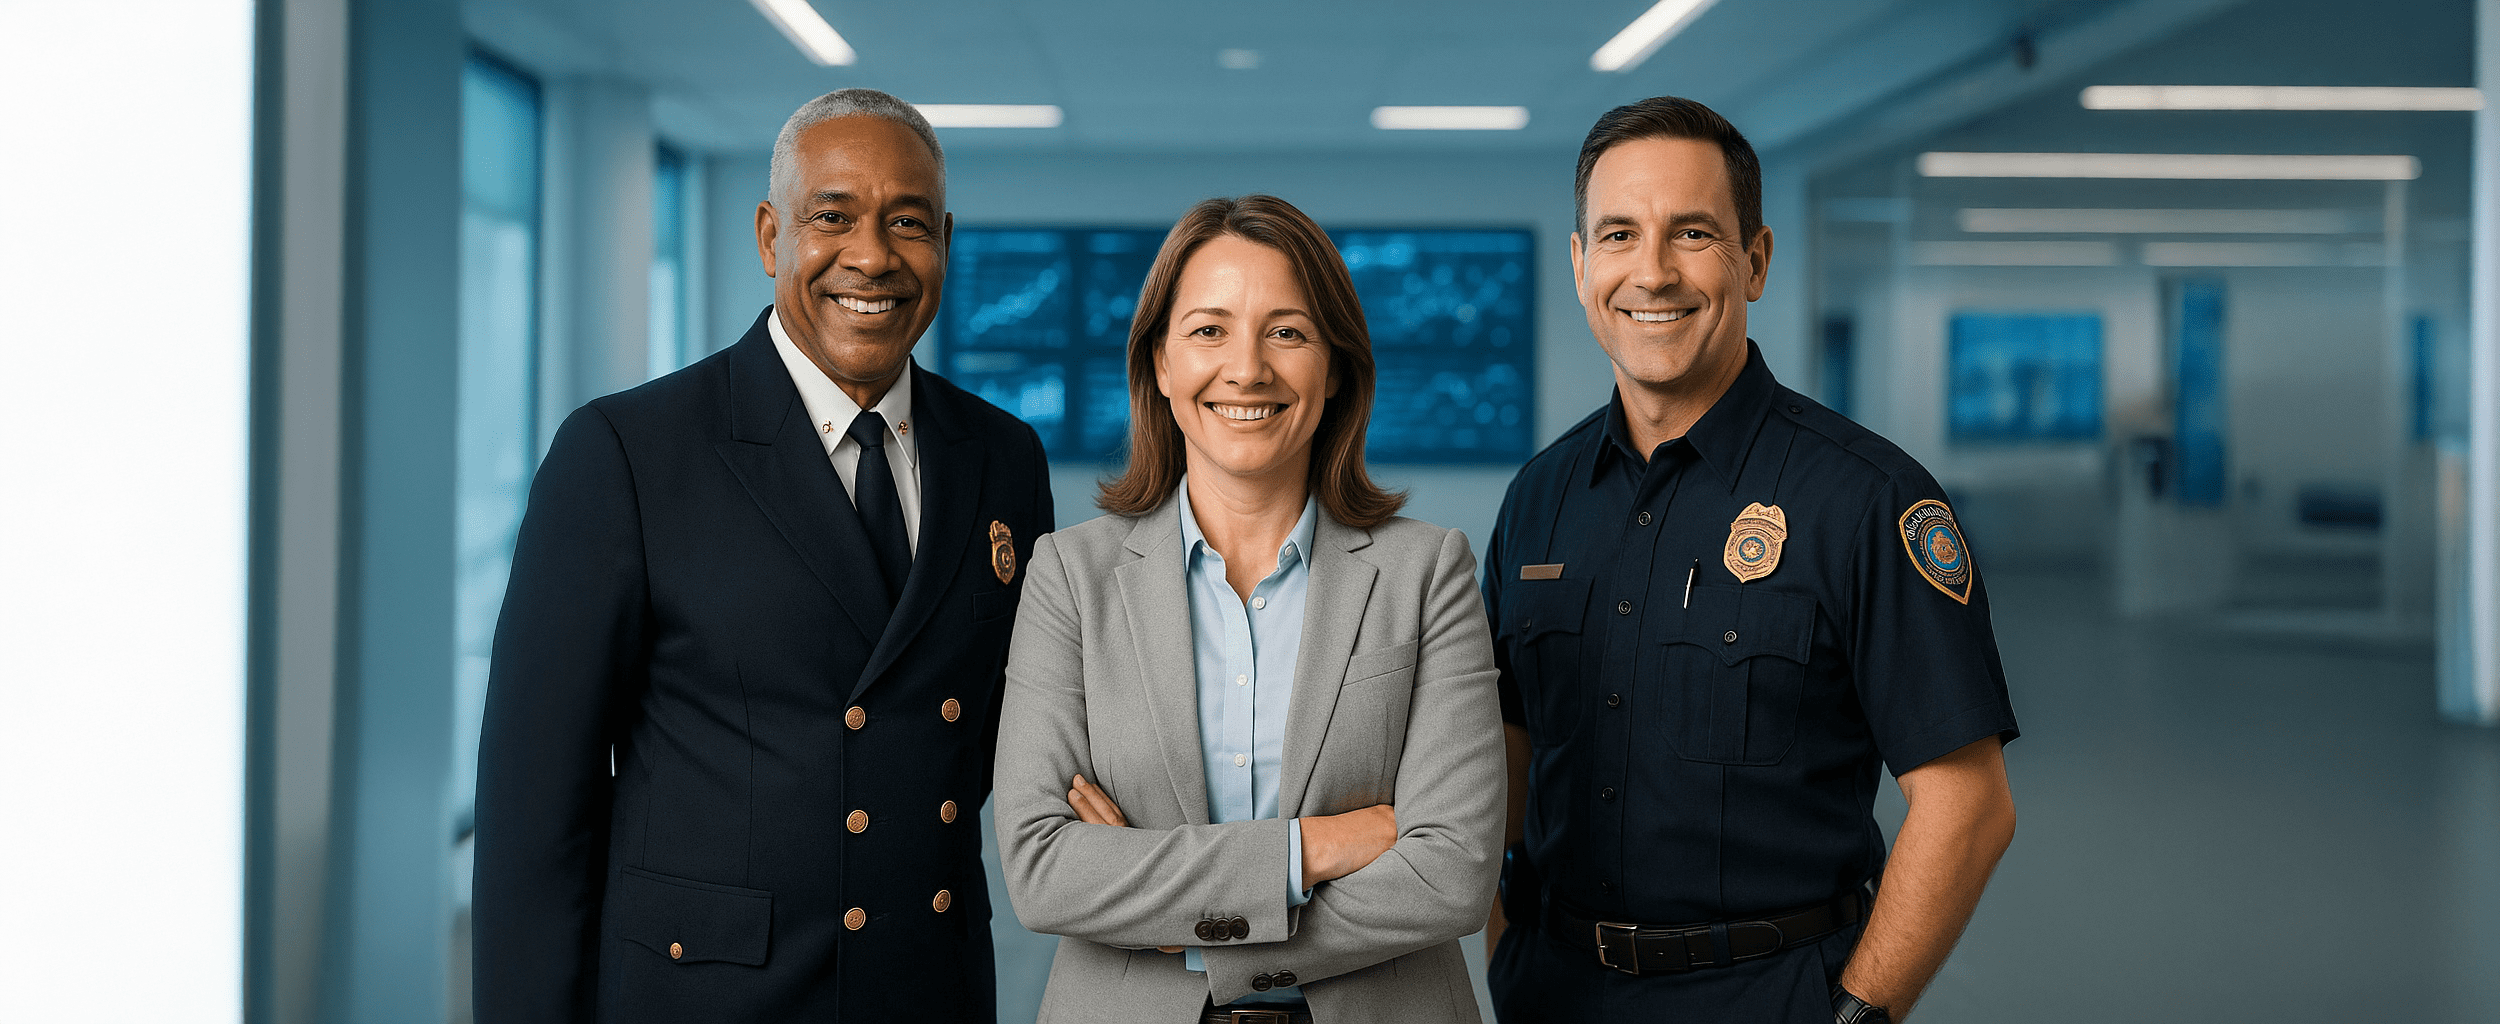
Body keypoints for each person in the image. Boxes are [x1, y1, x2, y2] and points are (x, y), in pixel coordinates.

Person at [471, 88, 1053, 1023]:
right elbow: (535, 816)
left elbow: (1010, 728)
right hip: (703, 995)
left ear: (945, 239)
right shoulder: (627, 452)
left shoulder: (1004, 459)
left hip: (927, 991)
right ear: (769, 236)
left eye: (908, 223)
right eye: (834, 217)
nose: (872, 256)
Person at [1479, 96, 2019, 1023]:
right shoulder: (1540, 497)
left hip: (1770, 998)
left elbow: (1968, 807)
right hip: (1554, 992)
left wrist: (1855, 1017)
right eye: (1617, 236)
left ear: (1755, 260)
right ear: (1579, 267)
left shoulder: (1866, 499)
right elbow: (1509, 761)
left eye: (1691, 233)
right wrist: (1506, 955)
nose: (1651, 273)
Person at [991, 195, 1505, 1023]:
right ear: (1160, 364)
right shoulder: (1071, 577)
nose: (1248, 368)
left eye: (1288, 331)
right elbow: (1043, 869)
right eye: (1208, 330)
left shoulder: (1426, 572)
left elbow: (1453, 875)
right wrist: (1314, 849)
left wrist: (1182, 920)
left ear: (1335, 367)